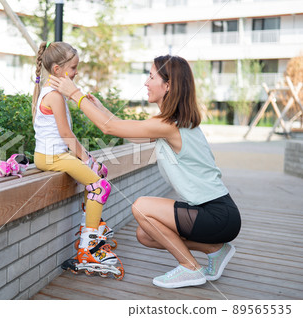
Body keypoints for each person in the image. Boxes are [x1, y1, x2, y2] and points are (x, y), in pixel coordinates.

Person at [49, 54, 242, 288]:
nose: (146, 83)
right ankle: (215, 250)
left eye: (151, 77)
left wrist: (74, 93)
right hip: (215, 213)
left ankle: (190, 268)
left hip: (217, 214)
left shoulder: (169, 125)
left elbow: (108, 128)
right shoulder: (172, 123)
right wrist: (102, 109)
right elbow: (127, 131)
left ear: (168, 85)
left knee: (140, 206)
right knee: (145, 234)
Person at [32, 41, 123, 277]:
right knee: (99, 186)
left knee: (96, 179)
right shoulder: (54, 96)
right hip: (53, 156)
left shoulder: (52, 93)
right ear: (57, 71)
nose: (76, 73)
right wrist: (89, 160)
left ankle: (91, 226)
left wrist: (90, 161)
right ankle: (88, 246)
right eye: (73, 68)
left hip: (52, 155)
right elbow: (66, 135)